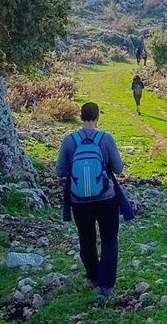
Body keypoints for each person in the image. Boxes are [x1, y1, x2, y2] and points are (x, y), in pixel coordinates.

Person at [56, 102, 124, 301]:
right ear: (97, 117)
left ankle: (93, 277)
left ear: (80, 116)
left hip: (79, 200)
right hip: (106, 199)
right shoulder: (106, 139)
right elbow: (118, 169)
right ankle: (105, 286)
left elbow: (59, 171)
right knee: (109, 239)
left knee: (86, 238)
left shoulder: (69, 141)